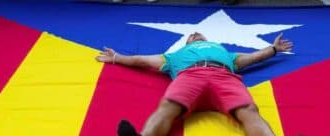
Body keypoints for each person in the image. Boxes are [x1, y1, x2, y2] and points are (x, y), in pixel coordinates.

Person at [96, 32, 293, 136]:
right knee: (167, 107)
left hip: (223, 76)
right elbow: (141, 60)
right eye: (192, 35)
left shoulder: (225, 53)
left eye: (199, 34)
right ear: (187, 42)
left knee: (249, 111)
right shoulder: (173, 56)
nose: (196, 34)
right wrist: (117, 58)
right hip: (190, 76)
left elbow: (253, 57)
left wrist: (273, 49)